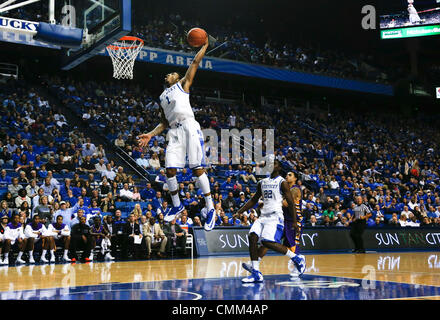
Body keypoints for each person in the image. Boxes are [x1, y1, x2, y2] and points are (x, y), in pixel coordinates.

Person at [138, 36, 216, 231]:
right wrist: (150, 134)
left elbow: (195, 62)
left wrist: (205, 45)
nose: (169, 74)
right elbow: (164, 122)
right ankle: (176, 205)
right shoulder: (162, 97)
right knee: (170, 170)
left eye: (172, 72)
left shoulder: (183, 84)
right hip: (173, 131)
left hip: (189, 125)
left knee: (197, 168)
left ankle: (211, 208)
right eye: (168, 74)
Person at [237, 160, 306, 283]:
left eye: (273, 164)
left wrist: (295, 221)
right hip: (262, 217)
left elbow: (290, 203)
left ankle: (296, 258)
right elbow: (253, 200)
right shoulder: (262, 182)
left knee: (267, 242)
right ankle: (256, 272)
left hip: (275, 217)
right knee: (252, 237)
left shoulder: (282, 182)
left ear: (278, 167)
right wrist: (240, 211)